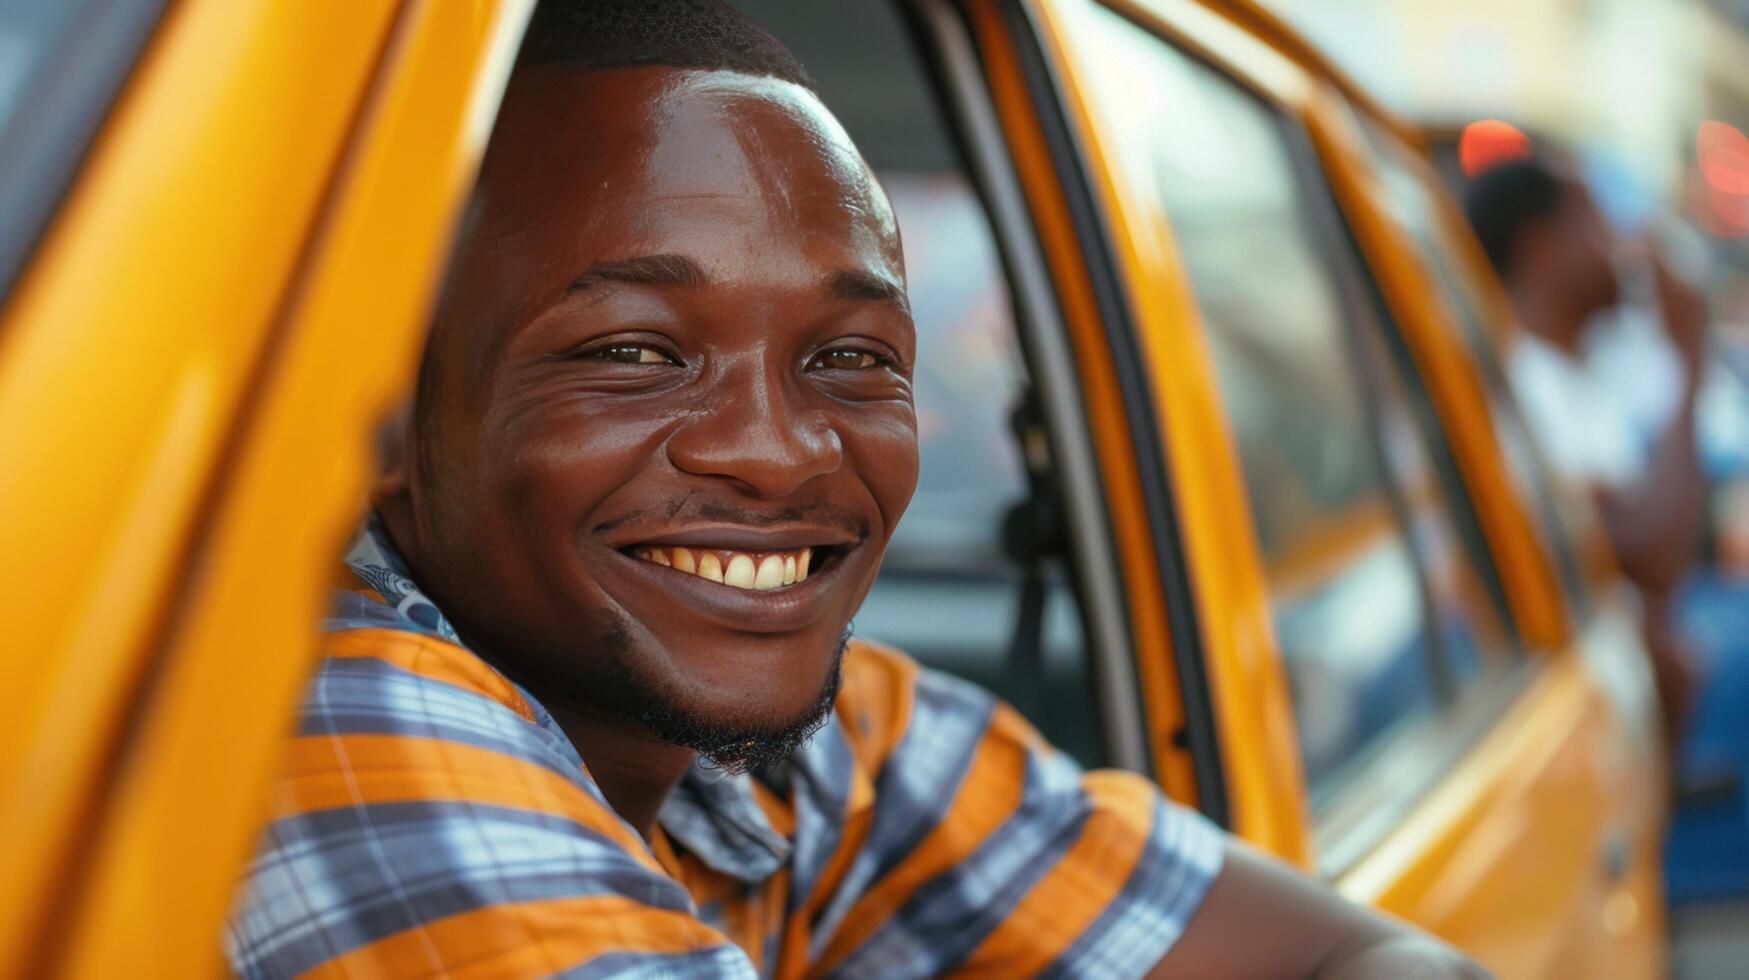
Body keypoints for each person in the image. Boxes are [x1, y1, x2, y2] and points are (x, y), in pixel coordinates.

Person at [224, 2, 1487, 976]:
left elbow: (1370, 954)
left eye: (848, 359)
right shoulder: (340, 723)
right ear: (381, 410)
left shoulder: (805, 743)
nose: (778, 451)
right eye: (635, 353)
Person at [1465, 157, 1709, 739]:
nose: (1619, 250)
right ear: (1542, 246)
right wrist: (1691, 352)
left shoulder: (1563, 382)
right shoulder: (1523, 389)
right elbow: (1651, 556)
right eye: (1596, 224)